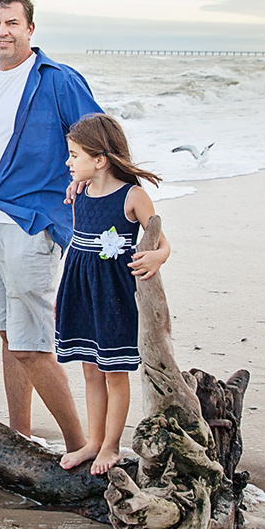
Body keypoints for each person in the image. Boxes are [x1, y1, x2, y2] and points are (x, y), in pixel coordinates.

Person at [0, 0, 101, 451]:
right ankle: (21, 438)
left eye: (12, 23)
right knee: (8, 333)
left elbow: (101, 144)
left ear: (30, 29)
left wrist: (90, 199)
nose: (2, 32)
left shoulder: (58, 80)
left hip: (31, 222)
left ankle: (80, 449)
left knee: (31, 343)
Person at [55, 113, 171, 474]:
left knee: (114, 370)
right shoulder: (81, 192)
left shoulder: (133, 196)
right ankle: (92, 441)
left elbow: (162, 241)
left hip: (113, 294)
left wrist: (158, 255)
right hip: (79, 286)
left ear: (100, 159)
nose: (68, 162)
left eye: (75, 155)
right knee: (90, 369)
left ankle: (111, 445)